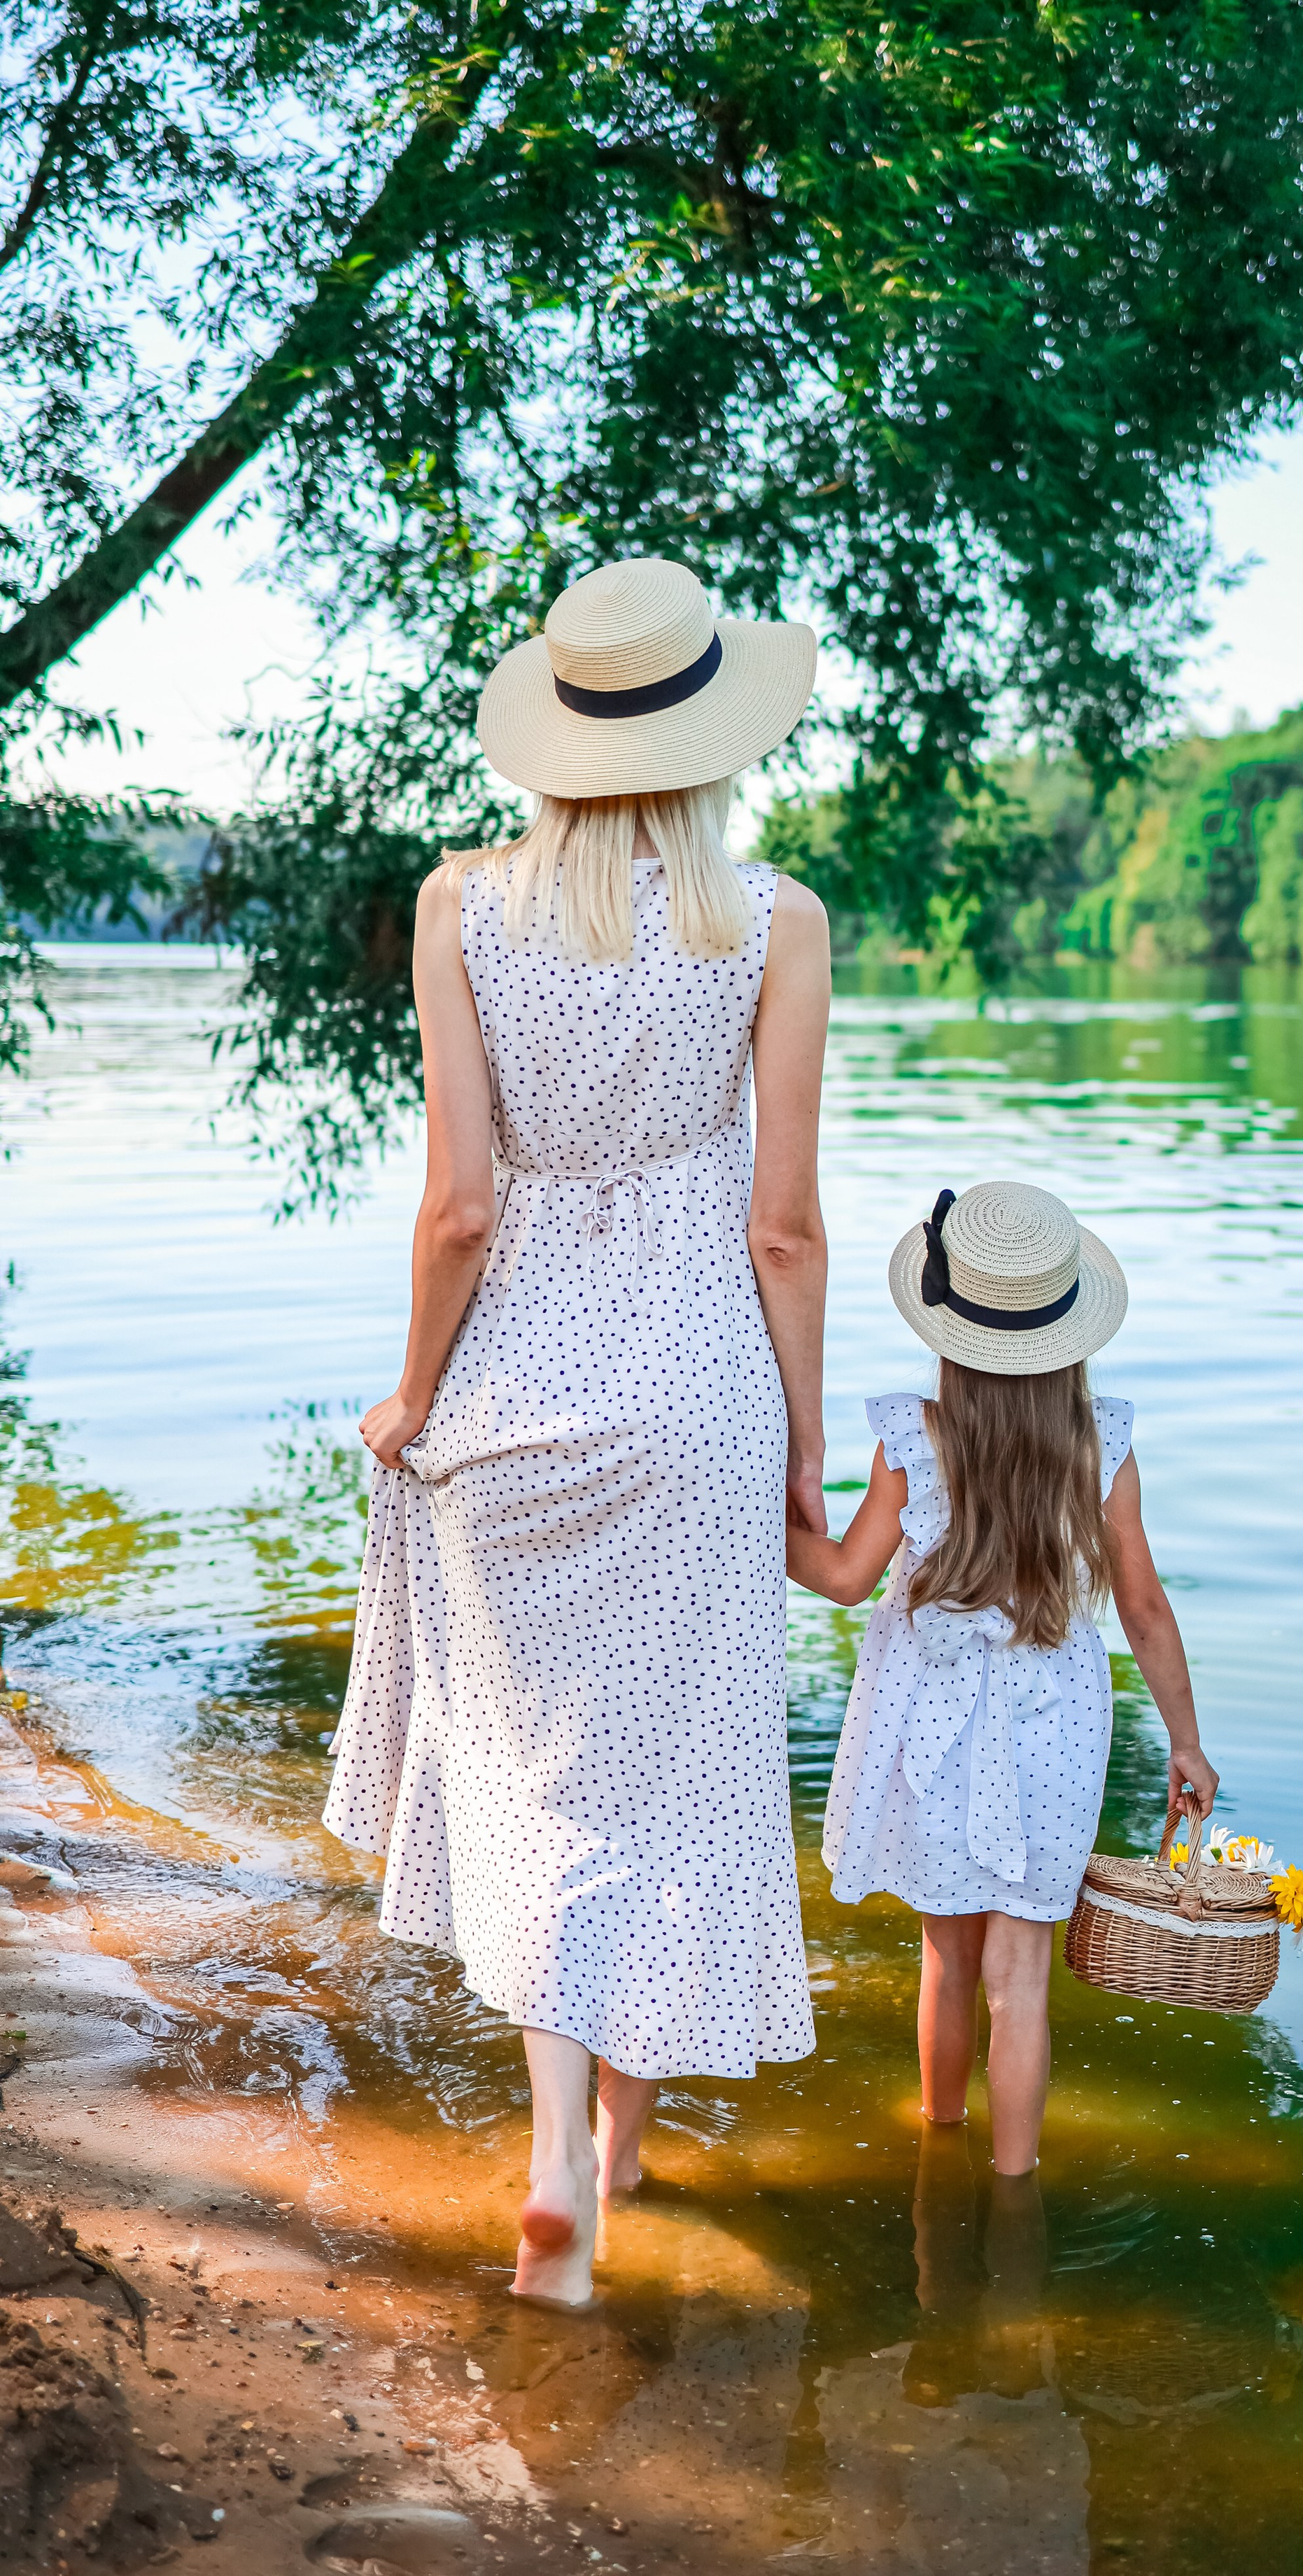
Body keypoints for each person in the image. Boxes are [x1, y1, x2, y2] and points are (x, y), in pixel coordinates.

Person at [321, 556, 831, 2307]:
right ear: (712, 733)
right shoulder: (772, 921)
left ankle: (558, 2163)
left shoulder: (461, 905)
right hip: (697, 1396)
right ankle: (622, 2147)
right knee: (676, 1778)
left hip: (514, 1403)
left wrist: (410, 1396)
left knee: (541, 1784)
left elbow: (458, 1205)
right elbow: (785, 1226)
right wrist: (800, 1443)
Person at [786, 1181, 1218, 2177]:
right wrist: (1186, 1741)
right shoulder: (1101, 1441)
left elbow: (847, 1578)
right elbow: (1146, 1607)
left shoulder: (916, 1439)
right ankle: (1013, 2189)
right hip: (1056, 1729)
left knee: (948, 1961)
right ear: (1067, 1329)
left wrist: (756, 1509)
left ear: (948, 1328)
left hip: (932, 1728)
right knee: (1022, 1980)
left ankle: (940, 2150)